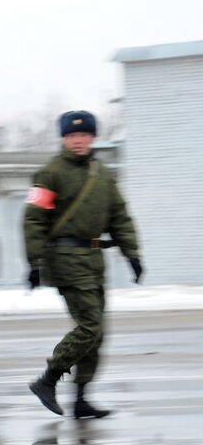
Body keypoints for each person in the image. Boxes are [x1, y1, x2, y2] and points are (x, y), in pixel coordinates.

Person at [25, 110, 142, 418]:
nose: (78, 141)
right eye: (71, 136)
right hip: (63, 259)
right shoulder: (49, 174)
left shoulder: (103, 176)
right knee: (89, 325)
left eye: (83, 135)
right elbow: (34, 220)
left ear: (93, 137)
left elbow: (120, 217)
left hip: (93, 259)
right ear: (64, 138)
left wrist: (132, 254)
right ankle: (48, 379)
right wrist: (34, 262)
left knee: (98, 332)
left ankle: (80, 398)